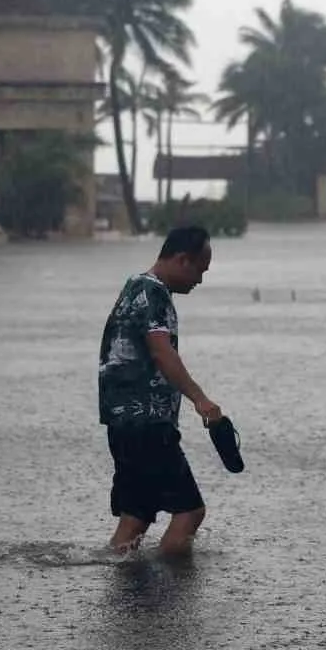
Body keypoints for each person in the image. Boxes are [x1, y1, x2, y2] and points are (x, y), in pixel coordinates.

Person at [98, 226, 221, 557]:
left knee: (135, 518)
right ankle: (173, 600)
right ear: (183, 260)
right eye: (200, 270)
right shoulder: (155, 295)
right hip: (148, 424)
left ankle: (126, 591)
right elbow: (161, 351)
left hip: (121, 424)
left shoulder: (133, 287)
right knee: (190, 512)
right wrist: (201, 399)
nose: (199, 281)